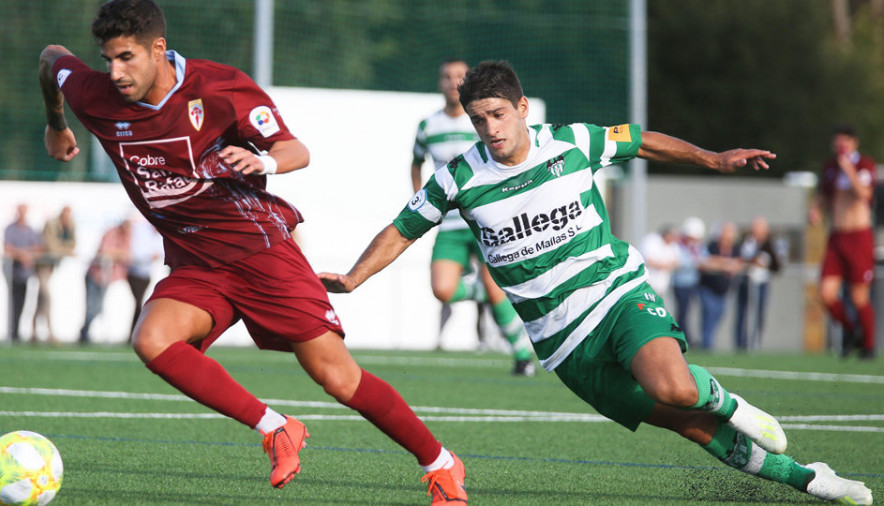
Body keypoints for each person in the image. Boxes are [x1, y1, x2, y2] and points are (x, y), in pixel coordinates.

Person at [320, 60, 872, 504]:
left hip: (616, 296)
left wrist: (711, 158)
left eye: (497, 115)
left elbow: (639, 140)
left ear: (521, 108)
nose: (489, 129)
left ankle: (733, 404)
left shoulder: (570, 141)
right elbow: (402, 228)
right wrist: (353, 277)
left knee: (677, 388)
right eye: (478, 120)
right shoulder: (458, 178)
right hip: (563, 346)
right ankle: (809, 479)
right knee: (689, 425)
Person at [38, 1, 465, 503]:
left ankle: (440, 463)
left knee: (337, 377)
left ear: (158, 48)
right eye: (107, 58)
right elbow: (51, 58)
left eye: (126, 58)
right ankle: (276, 427)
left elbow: (296, 151)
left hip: (260, 252)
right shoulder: (97, 93)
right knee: (152, 340)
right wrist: (57, 123)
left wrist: (262, 159)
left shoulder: (219, 87)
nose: (115, 72)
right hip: (196, 261)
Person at [412, 59, 534, 375]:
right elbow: (415, 163)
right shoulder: (428, 126)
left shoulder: (481, 119)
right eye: (446, 76)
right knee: (442, 289)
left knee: (495, 289)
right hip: (450, 223)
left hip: (485, 219)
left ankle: (522, 356)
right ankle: (485, 290)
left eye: (458, 76)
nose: (452, 81)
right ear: (440, 83)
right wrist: (420, 201)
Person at [810, 125, 877, 359]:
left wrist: (848, 168)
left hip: (859, 236)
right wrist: (816, 209)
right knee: (825, 293)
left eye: (845, 142)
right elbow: (825, 193)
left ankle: (868, 345)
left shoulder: (863, 165)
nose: (841, 147)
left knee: (860, 296)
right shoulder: (830, 167)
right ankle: (851, 329)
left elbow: (865, 194)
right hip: (837, 236)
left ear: (854, 143)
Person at [79, 219, 132, 344]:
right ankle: (84, 333)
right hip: (95, 274)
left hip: (108, 277)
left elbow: (128, 255)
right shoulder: (111, 233)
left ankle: (85, 332)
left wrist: (117, 255)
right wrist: (119, 254)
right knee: (92, 306)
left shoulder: (128, 236)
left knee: (99, 306)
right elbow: (105, 252)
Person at [734, 216, 782, 351]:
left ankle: (755, 342)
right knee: (743, 313)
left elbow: (777, 265)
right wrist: (751, 261)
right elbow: (740, 258)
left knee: (759, 313)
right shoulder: (745, 242)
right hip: (746, 281)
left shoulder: (769, 245)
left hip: (760, 283)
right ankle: (741, 344)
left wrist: (764, 262)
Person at [32, 205, 76, 344]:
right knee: (46, 296)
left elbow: (73, 244)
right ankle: (49, 331)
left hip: (52, 265)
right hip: (42, 264)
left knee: (41, 298)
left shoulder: (70, 225)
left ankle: (33, 331)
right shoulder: (51, 224)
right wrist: (65, 250)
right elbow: (51, 246)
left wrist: (63, 249)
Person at [697, 221, 742, 350]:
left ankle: (709, 342)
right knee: (708, 315)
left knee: (718, 316)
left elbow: (738, 264)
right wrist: (725, 264)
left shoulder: (736, 248)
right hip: (708, 287)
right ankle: (707, 345)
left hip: (725, 290)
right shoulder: (712, 246)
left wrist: (721, 264)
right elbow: (705, 263)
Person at [3, 204, 41, 343]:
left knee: (23, 302)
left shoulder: (30, 230)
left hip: (25, 273)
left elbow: (38, 248)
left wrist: (28, 255)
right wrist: (22, 255)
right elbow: (7, 247)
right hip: (13, 271)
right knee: (14, 302)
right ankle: (12, 333)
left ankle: (18, 332)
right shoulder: (10, 229)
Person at [126, 215, 163, 341]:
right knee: (138, 303)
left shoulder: (157, 236)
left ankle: (133, 334)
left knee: (140, 303)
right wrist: (150, 256)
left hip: (146, 274)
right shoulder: (142, 231)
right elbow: (137, 253)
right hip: (134, 271)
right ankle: (133, 334)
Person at [672, 216, 706, 339]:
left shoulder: (697, 246)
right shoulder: (679, 245)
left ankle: (687, 335)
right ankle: (683, 335)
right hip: (680, 283)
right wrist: (697, 262)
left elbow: (704, 258)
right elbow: (681, 262)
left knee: (688, 311)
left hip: (692, 283)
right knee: (682, 311)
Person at [639, 224, 680, 305]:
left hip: (661, 284)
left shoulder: (673, 245)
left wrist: (663, 265)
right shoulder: (651, 240)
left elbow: (676, 262)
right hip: (647, 282)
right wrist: (664, 265)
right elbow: (649, 260)